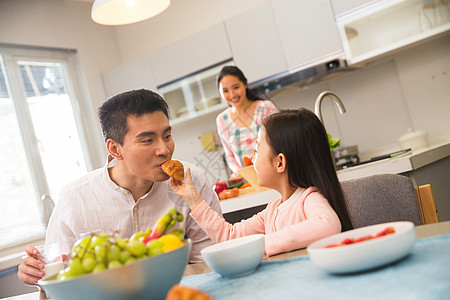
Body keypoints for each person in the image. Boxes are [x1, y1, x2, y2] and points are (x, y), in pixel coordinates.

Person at [17, 89, 222, 285]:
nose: (164, 149)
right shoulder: (75, 199)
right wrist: (37, 274)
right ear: (115, 149)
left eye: (167, 136)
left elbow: (210, 262)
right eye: (148, 140)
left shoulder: (191, 180)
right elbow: (60, 280)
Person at [171, 108, 353, 256]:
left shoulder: (309, 198)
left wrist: (263, 243)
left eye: (257, 149)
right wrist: (193, 199)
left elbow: (328, 225)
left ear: (280, 162)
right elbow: (229, 236)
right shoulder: (272, 210)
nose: (252, 156)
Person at [216, 66, 278, 176]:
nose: (232, 94)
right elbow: (230, 157)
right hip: (249, 180)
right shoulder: (222, 120)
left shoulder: (265, 107)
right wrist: (239, 172)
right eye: (225, 91)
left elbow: (282, 141)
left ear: (244, 84)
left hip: (275, 173)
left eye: (235, 87)